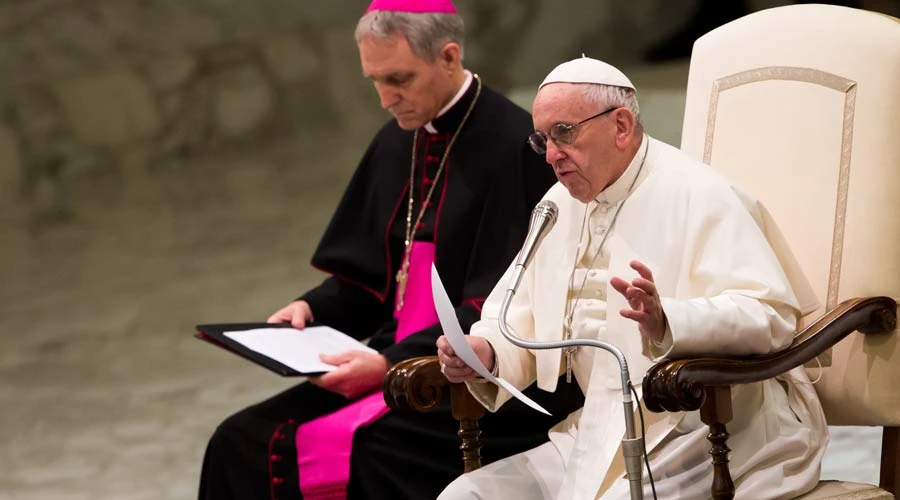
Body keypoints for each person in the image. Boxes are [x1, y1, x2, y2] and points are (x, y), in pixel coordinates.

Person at [198, 1, 584, 499]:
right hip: (392, 357)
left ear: (448, 57)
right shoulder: (396, 141)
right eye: (375, 81)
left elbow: (502, 304)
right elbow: (367, 280)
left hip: (477, 377)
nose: (385, 98)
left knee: (372, 449)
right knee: (237, 440)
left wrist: (391, 365)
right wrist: (311, 308)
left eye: (398, 79)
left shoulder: (514, 144)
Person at [436, 55, 828, 499]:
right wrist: (486, 352)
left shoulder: (698, 192)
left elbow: (770, 316)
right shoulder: (559, 204)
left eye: (564, 132)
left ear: (620, 126)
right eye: (541, 139)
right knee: (464, 495)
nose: (550, 155)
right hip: (600, 429)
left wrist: (670, 321)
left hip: (706, 430)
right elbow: (517, 314)